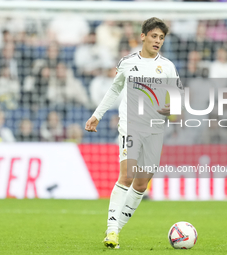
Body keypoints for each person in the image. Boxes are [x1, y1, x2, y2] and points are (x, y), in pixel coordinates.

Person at [85, 17, 184, 249]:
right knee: (127, 176)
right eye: (154, 36)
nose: (157, 41)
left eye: (161, 37)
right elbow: (114, 89)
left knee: (141, 184)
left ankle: (115, 231)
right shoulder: (128, 62)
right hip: (131, 125)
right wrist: (97, 115)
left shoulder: (168, 67)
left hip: (155, 129)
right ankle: (111, 231)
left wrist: (174, 110)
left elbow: (178, 101)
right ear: (143, 36)